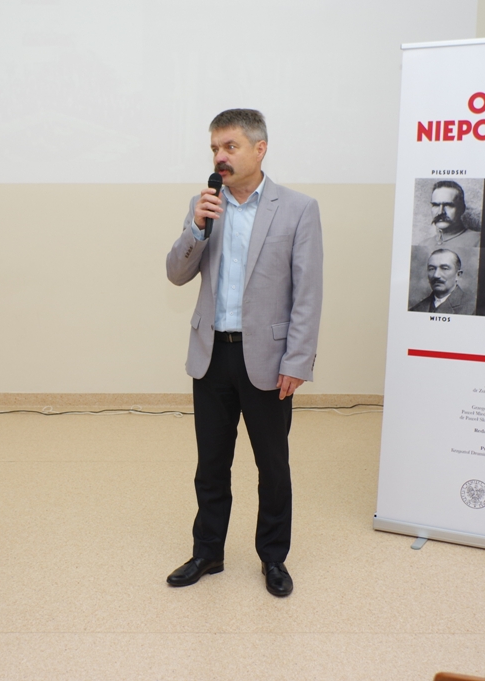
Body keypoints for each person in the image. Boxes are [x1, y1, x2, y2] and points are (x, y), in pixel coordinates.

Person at [165, 109, 322, 598]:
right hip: (211, 354)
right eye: (215, 148)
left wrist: (297, 361)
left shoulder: (298, 209)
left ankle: (273, 557)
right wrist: (196, 227)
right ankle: (207, 552)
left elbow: (307, 293)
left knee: (272, 468)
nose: (220, 157)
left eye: (230, 147)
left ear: (260, 148)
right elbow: (176, 273)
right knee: (211, 465)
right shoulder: (205, 205)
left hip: (268, 360)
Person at [410, 249, 475, 314]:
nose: (436, 275)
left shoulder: (473, 308)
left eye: (444, 268)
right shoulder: (416, 309)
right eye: (431, 269)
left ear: (458, 275)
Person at [418, 181, 480, 249]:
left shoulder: (478, 240)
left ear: (462, 208)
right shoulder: (423, 244)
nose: (440, 212)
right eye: (436, 205)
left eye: (448, 205)